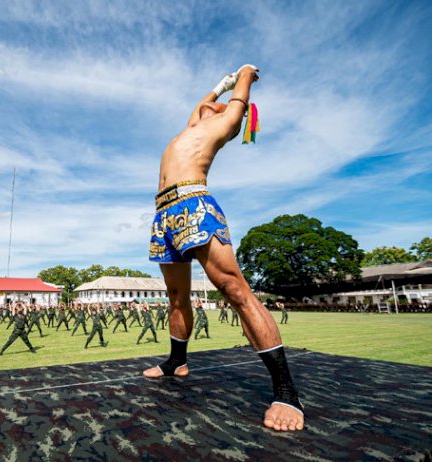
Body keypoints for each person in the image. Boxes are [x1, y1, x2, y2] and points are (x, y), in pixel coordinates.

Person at [143, 64, 304, 432]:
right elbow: (204, 102)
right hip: (163, 213)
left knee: (234, 289)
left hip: (193, 204)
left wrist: (244, 77)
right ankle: (176, 362)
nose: (206, 105)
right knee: (176, 297)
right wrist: (220, 84)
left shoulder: (223, 123)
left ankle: (286, 392)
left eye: (216, 103)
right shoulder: (193, 126)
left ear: (229, 114)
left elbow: (237, 103)